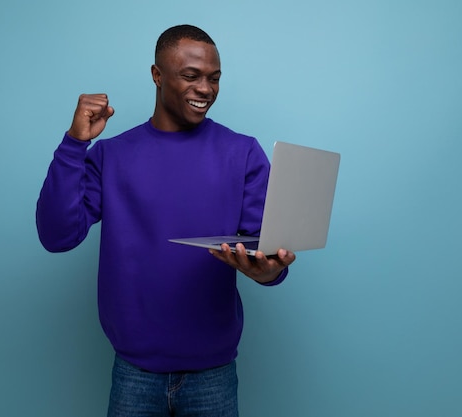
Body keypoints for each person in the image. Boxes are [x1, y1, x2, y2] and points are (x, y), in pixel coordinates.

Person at [36, 24, 296, 417]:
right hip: (133, 374)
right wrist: (75, 144)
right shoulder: (112, 155)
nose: (205, 89)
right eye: (191, 76)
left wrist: (268, 272)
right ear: (157, 75)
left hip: (214, 374)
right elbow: (57, 235)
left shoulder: (242, 152)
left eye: (214, 78)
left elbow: (267, 253)